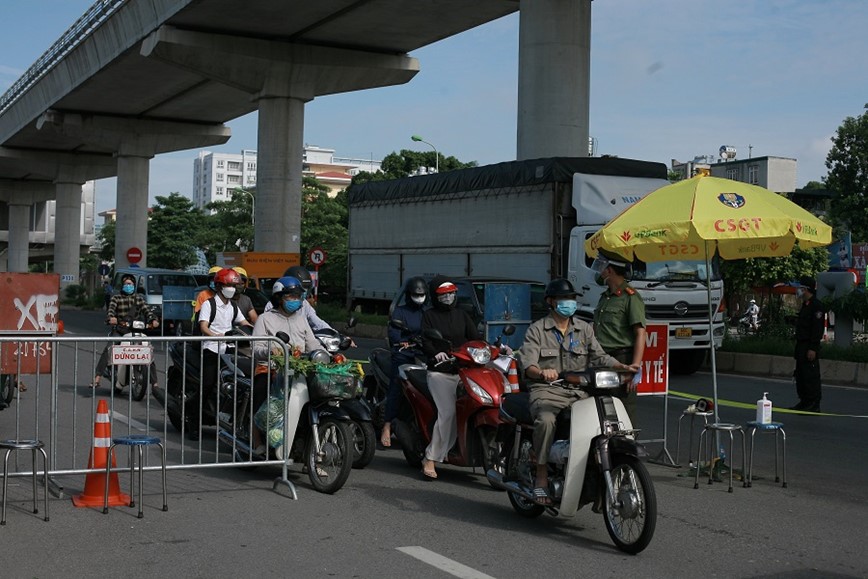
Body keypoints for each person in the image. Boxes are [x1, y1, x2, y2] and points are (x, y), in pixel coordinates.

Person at [519, 278, 637, 505]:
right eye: (564, 299)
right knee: (545, 420)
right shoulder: (537, 329)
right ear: (551, 302)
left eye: (572, 299)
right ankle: (542, 474)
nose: (569, 303)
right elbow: (529, 364)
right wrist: (542, 373)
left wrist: (621, 366)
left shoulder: (584, 328)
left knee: (602, 424)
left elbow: (599, 355)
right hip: (547, 391)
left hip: (579, 392)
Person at [250, 276, 320, 454]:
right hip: (270, 368)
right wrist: (270, 351)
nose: (295, 300)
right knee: (261, 399)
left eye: (298, 297)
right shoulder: (265, 319)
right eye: (290, 297)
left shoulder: (301, 319)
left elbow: (312, 343)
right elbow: (255, 348)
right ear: (279, 298)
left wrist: (324, 354)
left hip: (298, 371)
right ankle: (256, 441)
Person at [419, 275, 479, 479]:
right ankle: (431, 458)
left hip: (464, 371)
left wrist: (493, 348)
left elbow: (475, 338)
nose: (448, 297)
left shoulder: (462, 315)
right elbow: (426, 339)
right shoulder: (429, 316)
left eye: (452, 293)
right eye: (443, 294)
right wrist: (435, 353)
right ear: (435, 296)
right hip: (440, 372)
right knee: (448, 412)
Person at [196, 268, 254, 437]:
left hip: (229, 350)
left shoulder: (233, 307)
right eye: (229, 285)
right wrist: (217, 336)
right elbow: (203, 326)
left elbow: (244, 323)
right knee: (207, 385)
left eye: (235, 286)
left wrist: (259, 331)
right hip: (212, 349)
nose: (233, 289)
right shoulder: (209, 304)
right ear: (220, 286)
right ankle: (193, 420)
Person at [591, 251, 646, 426]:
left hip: (621, 359)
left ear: (610, 270)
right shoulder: (605, 297)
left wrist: (634, 367)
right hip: (601, 360)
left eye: (602, 267)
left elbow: (640, 333)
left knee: (624, 409)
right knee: (601, 408)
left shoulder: (631, 297)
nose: (599, 271)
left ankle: (629, 449)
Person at [380, 276, 429, 447]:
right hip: (403, 354)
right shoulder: (400, 312)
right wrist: (401, 341)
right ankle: (386, 425)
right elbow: (394, 333)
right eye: (416, 295)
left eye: (422, 295)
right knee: (396, 387)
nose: (419, 298)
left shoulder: (426, 313)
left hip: (422, 354)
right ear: (409, 295)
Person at [91, 273, 160, 390]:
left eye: (131, 284)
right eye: (126, 284)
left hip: (136, 330)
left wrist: (153, 319)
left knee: (148, 350)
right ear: (122, 285)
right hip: (120, 330)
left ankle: (155, 383)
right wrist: (111, 318)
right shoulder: (116, 298)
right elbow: (111, 311)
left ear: (134, 285)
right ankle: (97, 377)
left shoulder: (139, 299)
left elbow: (147, 311)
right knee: (109, 349)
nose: (128, 286)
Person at [791, 276, 825, 413]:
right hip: (801, 345)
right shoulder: (805, 305)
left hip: (809, 346)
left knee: (810, 376)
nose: (797, 290)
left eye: (799, 288)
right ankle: (804, 401)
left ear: (805, 289)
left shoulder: (816, 306)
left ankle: (813, 403)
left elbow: (817, 329)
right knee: (800, 374)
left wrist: (813, 348)